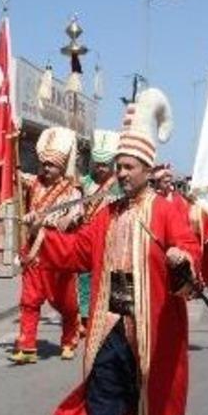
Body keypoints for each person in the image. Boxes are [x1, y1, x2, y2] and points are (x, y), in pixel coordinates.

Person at [37, 88, 201, 415]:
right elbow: (79, 252)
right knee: (105, 371)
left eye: (128, 167)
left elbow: (189, 246)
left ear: (146, 169)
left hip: (153, 312)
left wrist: (181, 257)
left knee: (158, 374)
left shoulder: (165, 211)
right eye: (119, 167)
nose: (121, 174)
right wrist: (42, 235)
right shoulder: (106, 214)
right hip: (111, 309)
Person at [11, 126, 83, 364]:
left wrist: (64, 218)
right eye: (44, 164)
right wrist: (11, 145)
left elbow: (74, 215)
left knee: (66, 302)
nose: (46, 169)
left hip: (59, 250)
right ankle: (27, 346)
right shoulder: (34, 182)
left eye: (51, 165)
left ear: (61, 167)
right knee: (29, 299)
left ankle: (69, 340)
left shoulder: (72, 191)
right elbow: (14, 174)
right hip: (34, 250)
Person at [78, 131, 120, 325]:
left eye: (105, 164)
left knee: (109, 277)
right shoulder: (86, 181)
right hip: (87, 236)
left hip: (112, 237)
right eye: (98, 163)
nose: (101, 168)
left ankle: (109, 314)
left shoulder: (119, 184)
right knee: (85, 276)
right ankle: (85, 315)